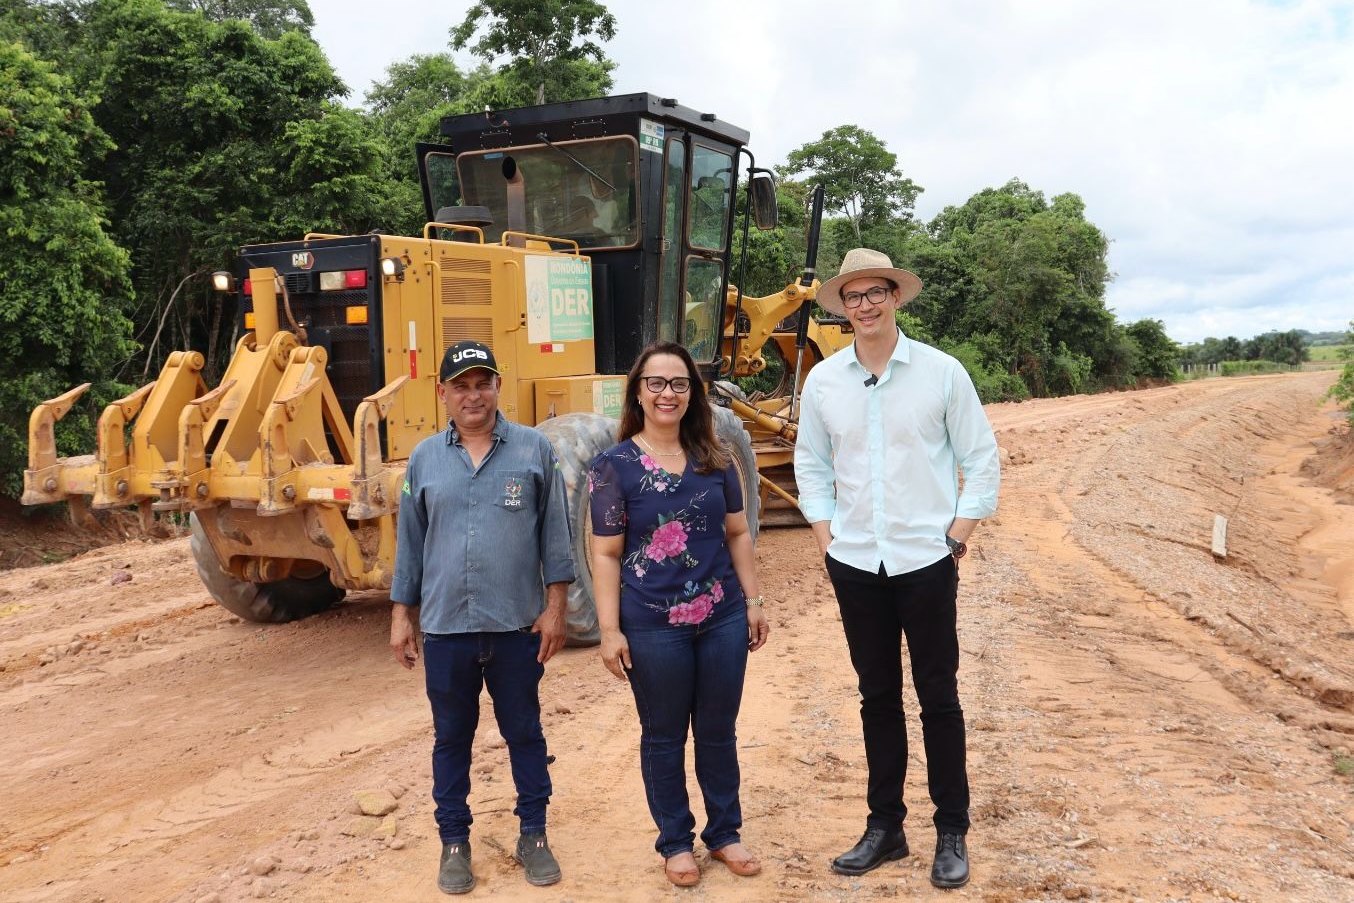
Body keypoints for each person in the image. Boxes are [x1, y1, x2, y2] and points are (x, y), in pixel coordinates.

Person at [793, 248, 1000, 890]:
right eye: (853, 296)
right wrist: (829, 537)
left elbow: (981, 457)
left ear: (895, 297)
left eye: (876, 291)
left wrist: (958, 534)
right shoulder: (825, 381)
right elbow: (812, 464)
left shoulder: (940, 373)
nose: (866, 304)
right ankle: (885, 827)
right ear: (842, 307)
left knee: (939, 696)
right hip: (856, 563)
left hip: (926, 560)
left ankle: (951, 830)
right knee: (876, 696)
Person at [390, 341, 575, 895]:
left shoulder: (533, 450)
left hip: (517, 626)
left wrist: (556, 607)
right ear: (442, 393)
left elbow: (557, 536)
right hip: (446, 629)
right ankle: (454, 843)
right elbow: (410, 544)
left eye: (482, 382)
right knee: (451, 739)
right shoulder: (424, 458)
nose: (473, 395)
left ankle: (534, 835)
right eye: (461, 385)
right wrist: (403, 616)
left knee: (525, 732)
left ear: (498, 386)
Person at [588, 341, 770, 888]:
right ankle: (674, 840)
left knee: (718, 730)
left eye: (679, 384)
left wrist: (754, 601)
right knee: (663, 734)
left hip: (721, 618)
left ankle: (724, 832)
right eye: (657, 383)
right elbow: (606, 552)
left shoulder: (715, 459)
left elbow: (737, 533)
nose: (668, 393)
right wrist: (609, 630)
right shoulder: (612, 467)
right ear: (638, 393)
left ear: (693, 394)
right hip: (651, 624)